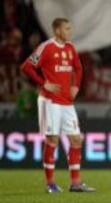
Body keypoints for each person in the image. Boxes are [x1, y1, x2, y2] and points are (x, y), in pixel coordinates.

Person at [21, 18, 95, 193]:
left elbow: (78, 68)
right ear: (57, 31)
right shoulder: (46, 47)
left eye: (70, 28)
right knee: (52, 139)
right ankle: (50, 184)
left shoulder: (70, 48)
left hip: (67, 102)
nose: (70, 31)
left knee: (76, 140)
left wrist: (75, 85)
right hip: (50, 101)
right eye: (67, 28)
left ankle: (75, 183)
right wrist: (42, 83)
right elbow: (26, 66)